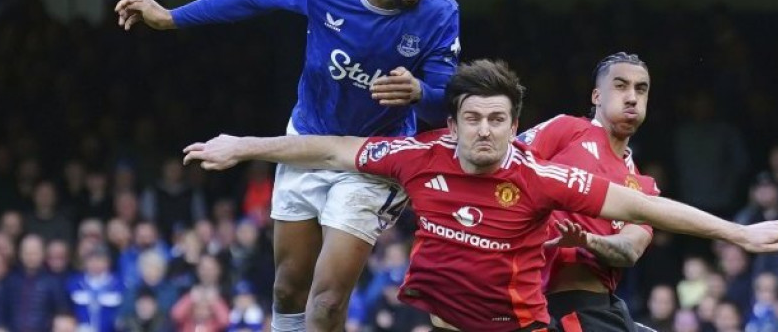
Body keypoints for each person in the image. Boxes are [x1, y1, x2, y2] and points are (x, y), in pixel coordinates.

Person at [183, 59, 778, 332]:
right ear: (454, 123)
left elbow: (643, 207)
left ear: (514, 126)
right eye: (473, 119)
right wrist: (242, 146)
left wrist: (739, 232)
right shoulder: (420, 156)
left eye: (497, 120)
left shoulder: (539, 178)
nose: (485, 131)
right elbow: (333, 148)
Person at [116, 0, 460, 331]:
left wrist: (420, 91)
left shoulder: (440, 11)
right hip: (308, 138)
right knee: (287, 290)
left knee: (327, 300)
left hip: (374, 155)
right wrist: (172, 17)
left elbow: (445, 104)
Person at [517, 53, 660, 331]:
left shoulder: (644, 186)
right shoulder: (566, 130)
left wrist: (587, 241)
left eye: (641, 89)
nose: (632, 97)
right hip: (532, 296)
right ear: (597, 96)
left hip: (596, 306)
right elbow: (505, 168)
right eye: (620, 86)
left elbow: (630, 250)